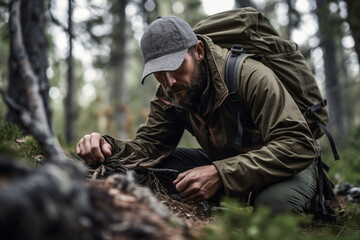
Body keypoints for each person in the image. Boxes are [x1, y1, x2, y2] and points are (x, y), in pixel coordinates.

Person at [77, 15, 318, 214]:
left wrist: (221, 174)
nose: (169, 81)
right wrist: (106, 146)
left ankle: (311, 200)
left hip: (286, 166)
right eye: (159, 72)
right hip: (223, 164)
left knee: (275, 208)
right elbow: (149, 147)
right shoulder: (170, 92)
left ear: (199, 51)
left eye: (176, 65)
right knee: (141, 170)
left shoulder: (250, 76)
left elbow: (298, 144)